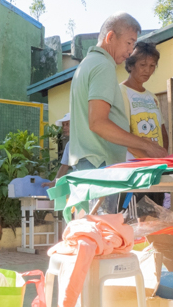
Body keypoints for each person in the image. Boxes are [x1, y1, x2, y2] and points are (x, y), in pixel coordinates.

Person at [68, 12, 167, 212]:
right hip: (100, 166)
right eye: (129, 43)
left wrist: (151, 157)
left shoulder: (87, 64)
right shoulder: (103, 66)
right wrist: (147, 144)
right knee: (103, 235)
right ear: (110, 37)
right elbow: (99, 123)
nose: (130, 51)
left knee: (93, 234)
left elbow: (106, 127)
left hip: (89, 165)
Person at [120, 41, 169, 206]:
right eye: (142, 64)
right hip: (134, 171)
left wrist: (162, 158)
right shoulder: (121, 92)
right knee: (135, 221)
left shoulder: (152, 97)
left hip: (155, 169)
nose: (147, 70)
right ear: (131, 65)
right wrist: (147, 158)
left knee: (156, 220)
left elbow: (162, 131)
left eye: (152, 66)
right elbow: (122, 134)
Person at [42, 113, 71, 189]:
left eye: (67, 124)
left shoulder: (86, 141)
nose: (64, 127)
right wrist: (54, 182)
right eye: (63, 125)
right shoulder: (69, 145)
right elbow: (64, 165)